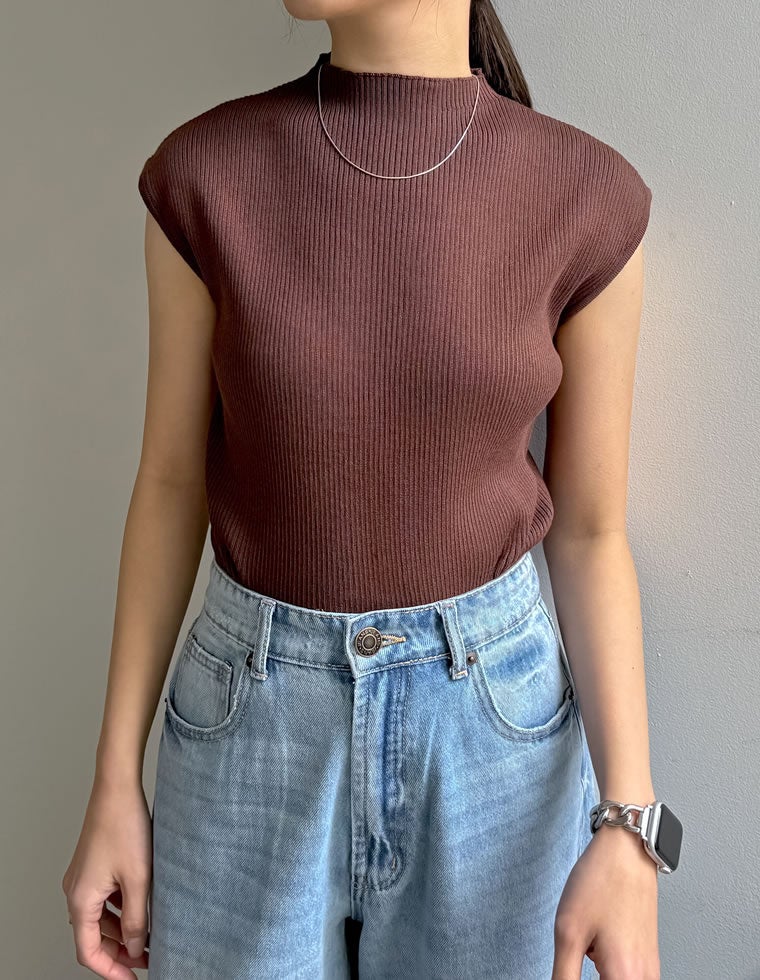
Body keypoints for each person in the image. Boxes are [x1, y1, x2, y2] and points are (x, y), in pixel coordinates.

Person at [62, 1, 681, 977]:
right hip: (250, 726)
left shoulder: (585, 196)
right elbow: (173, 480)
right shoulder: (205, 177)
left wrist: (629, 825)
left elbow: (592, 530)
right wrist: (112, 781)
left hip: (495, 742)